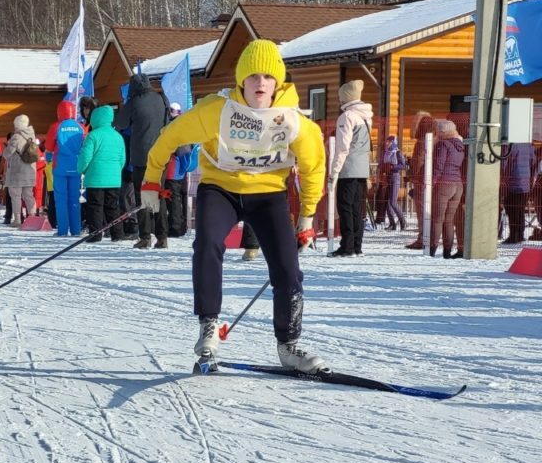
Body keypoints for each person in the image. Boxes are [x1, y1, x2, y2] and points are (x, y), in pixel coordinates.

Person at [141, 39, 327, 373]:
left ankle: (289, 345)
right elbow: (168, 138)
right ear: (242, 79)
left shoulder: (294, 120)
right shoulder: (219, 109)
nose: (260, 83)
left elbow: (314, 166)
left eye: (268, 77)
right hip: (221, 189)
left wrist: (307, 215)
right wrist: (151, 182)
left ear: (278, 82)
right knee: (207, 244)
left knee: (287, 268)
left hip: (268, 193)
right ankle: (208, 327)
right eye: (253, 76)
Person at [115, 73, 171, 249]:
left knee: (142, 197)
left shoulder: (134, 101)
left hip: (141, 156)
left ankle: (145, 237)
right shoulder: (162, 98)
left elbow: (120, 123)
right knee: (160, 195)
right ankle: (162, 237)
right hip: (161, 155)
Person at [328, 80, 373, 257]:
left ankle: (346, 246)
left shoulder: (346, 117)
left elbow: (342, 147)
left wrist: (334, 171)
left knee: (344, 207)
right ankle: (356, 245)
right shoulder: (366, 117)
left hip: (348, 168)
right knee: (357, 208)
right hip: (362, 168)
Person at [77, 105, 126, 242]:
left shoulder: (93, 135)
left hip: (95, 178)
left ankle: (96, 234)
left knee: (95, 207)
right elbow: (122, 159)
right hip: (114, 179)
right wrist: (116, 171)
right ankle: (117, 233)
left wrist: (83, 170)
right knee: (112, 207)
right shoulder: (118, 136)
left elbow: (85, 157)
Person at [45, 101, 85, 237]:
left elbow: (49, 148)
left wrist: (49, 158)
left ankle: (62, 230)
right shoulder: (81, 127)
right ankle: (76, 230)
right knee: (74, 199)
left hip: (60, 167)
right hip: (76, 167)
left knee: (61, 199)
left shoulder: (56, 127)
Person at [430, 119, 465, 258]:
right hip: (457, 185)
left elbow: (438, 165)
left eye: (437, 129)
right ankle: (447, 252)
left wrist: (432, 182)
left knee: (437, 219)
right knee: (449, 220)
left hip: (444, 184)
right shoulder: (460, 145)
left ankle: (431, 250)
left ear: (442, 131)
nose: (436, 132)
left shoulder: (443, 144)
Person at [164, 102, 198, 239]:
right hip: (184, 168)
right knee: (182, 197)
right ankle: (182, 227)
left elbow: (172, 148)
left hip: (174, 168)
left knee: (174, 199)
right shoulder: (186, 126)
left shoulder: (172, 127)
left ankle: (175, 228)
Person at [1, 115, 38, 226]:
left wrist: (6, 150)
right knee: (29, 195)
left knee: (16, 195)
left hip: (17, 170)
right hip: (30, 170)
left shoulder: (16, 137)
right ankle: (32, 217)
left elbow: (7, 153)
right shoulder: (32, 135)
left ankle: (17, 219)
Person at [406, 112, 434, 250]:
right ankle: (429, 237)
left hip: (421, 180)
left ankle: (423, 238)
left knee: (422, 210)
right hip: (433, 180)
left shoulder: (422, 142)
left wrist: (412, 174)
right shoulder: (436, 139)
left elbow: (419, 161)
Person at [501, 142, 537, 244]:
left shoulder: (511, 145)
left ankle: (513, 236)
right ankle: (520, 235)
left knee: (511, 208)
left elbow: (507, 163)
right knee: (520, 210)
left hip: (514, 180)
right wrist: (531, 179)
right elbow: (533, 161)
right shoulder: (528, 145)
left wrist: (505, 178)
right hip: (525, 181)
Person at [380, 135, 406, 230]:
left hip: (395, 177)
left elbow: (403, 165)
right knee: (388, 203)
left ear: (393, 142)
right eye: (386, 141)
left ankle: (403, 221)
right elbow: (381, 164)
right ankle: (392, 224)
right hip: (386, 177)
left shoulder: (398, 153)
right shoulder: (385, 153)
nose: (386, 143)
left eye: (389, 142)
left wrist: (392, 167)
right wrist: (382, 169)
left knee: (393, 202)